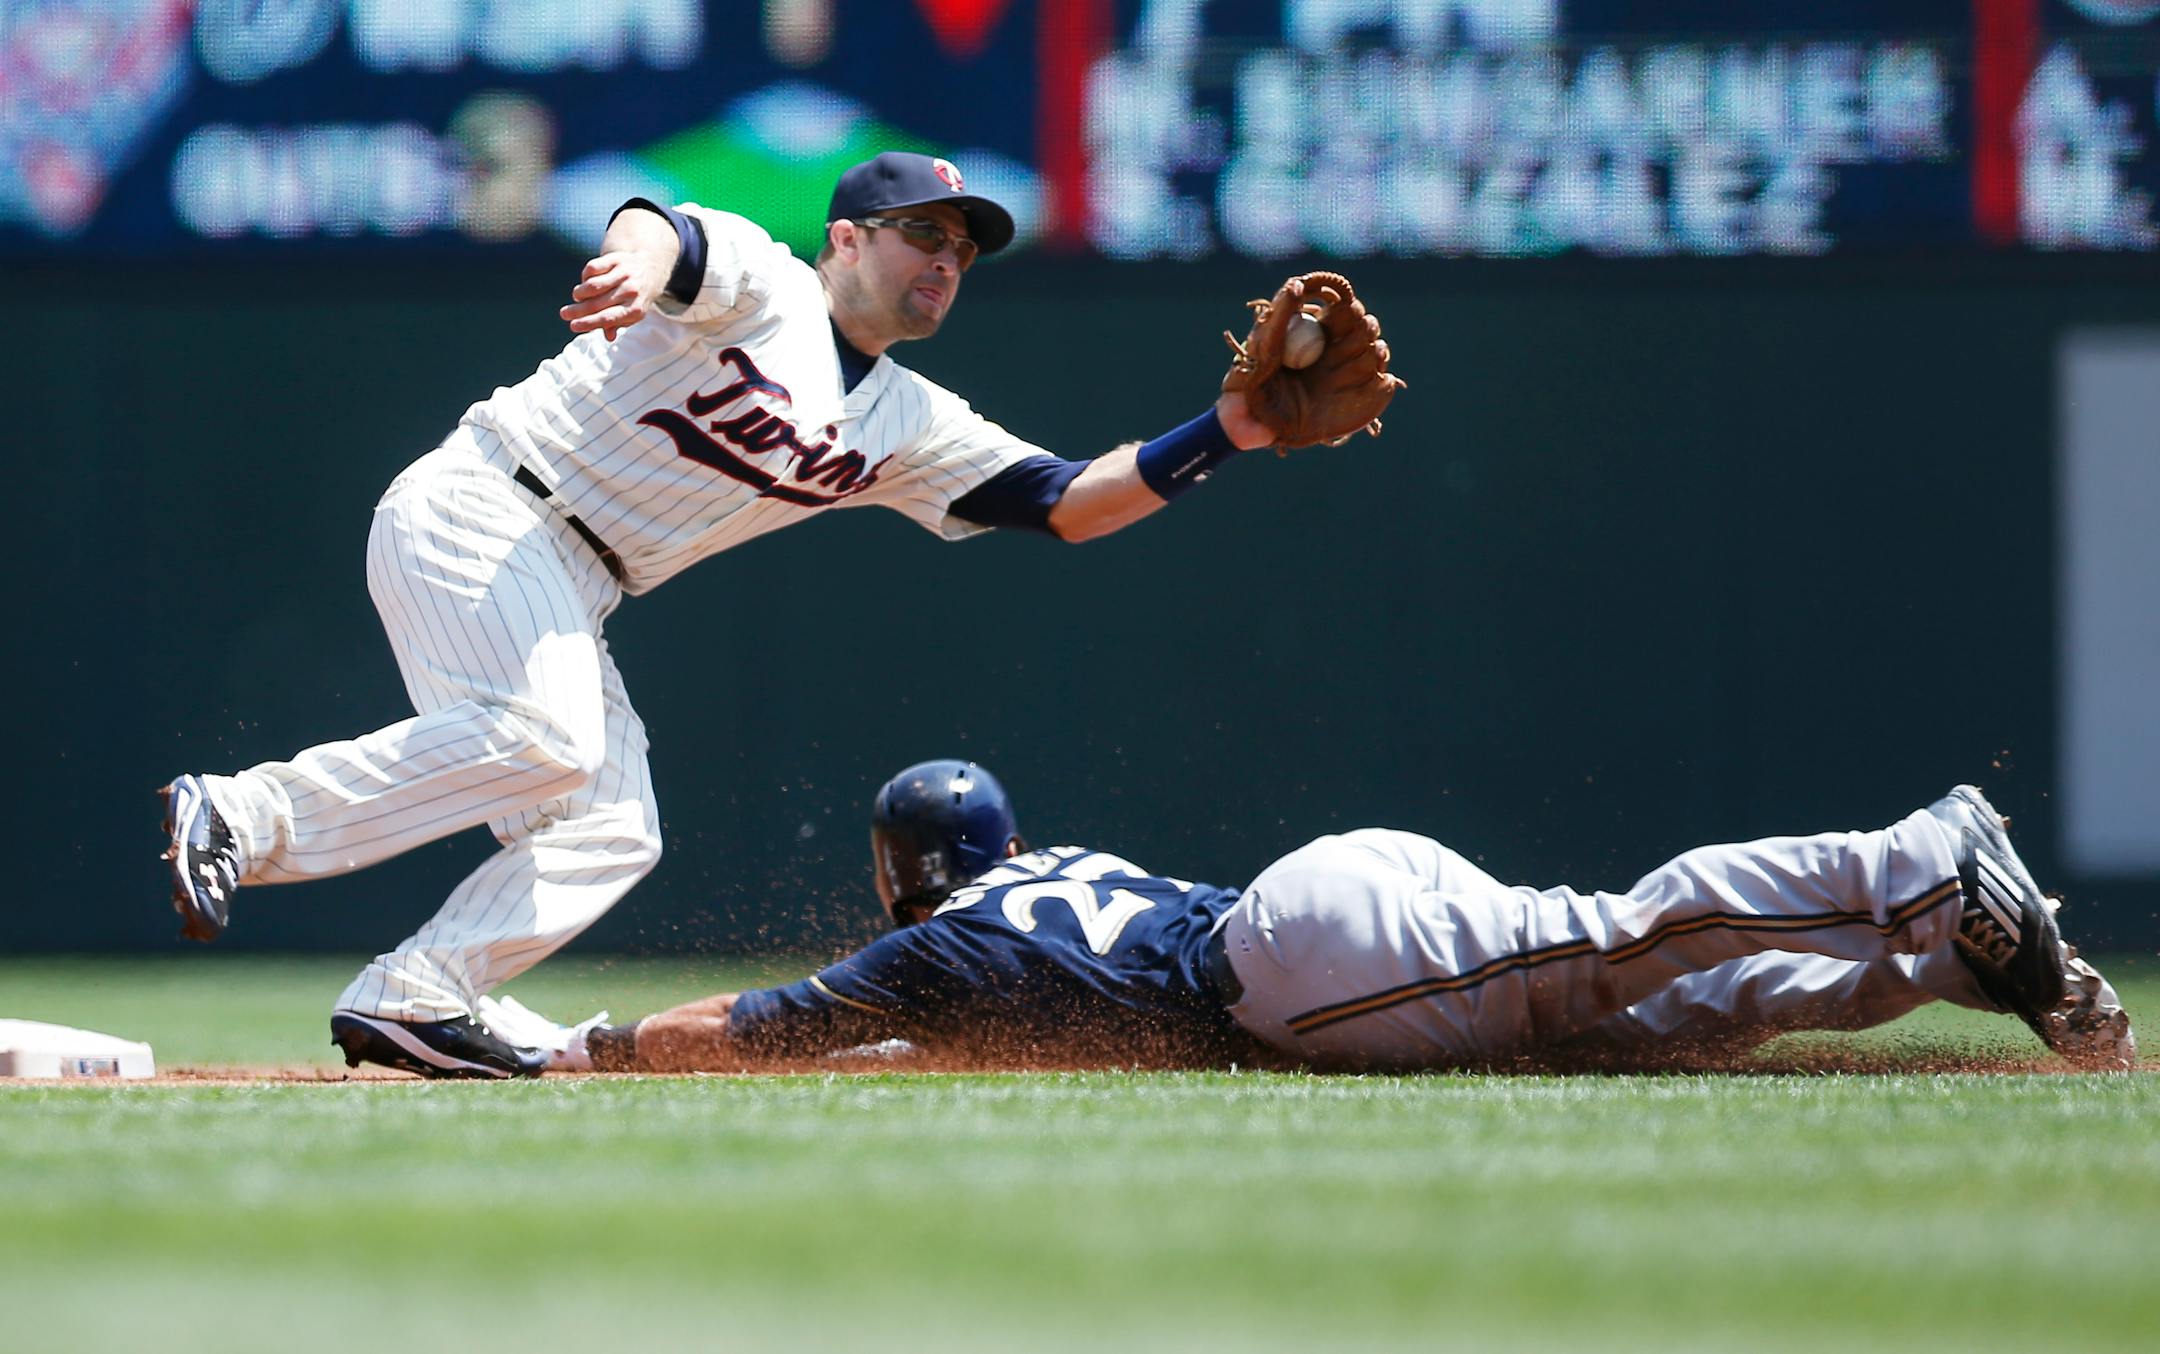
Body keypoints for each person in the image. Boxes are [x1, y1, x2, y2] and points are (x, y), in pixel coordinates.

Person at [156, 153, 1388, 1079]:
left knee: (612, 826)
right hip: (487, 504)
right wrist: (630, 269)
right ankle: (244, 810)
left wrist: (1234, 431)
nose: (946, 259)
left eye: (964, 246)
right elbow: (661, 226)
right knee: (551, 738)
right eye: (921, 233)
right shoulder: (762, 283)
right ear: (846, 239)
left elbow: (1070, 502)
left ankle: (416, 994)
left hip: (574, 580)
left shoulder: (907, 419)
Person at [558, 760, 2136, 1076]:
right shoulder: (1047, 884)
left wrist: (607, 1045)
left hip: (1304, 970)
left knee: (1622, 939)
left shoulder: (931, 944)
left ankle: (1919, 858)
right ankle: (1964, 959)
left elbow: (752, 1032)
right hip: (1313, 905)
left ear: (904, 869)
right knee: (1672, 1015)